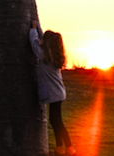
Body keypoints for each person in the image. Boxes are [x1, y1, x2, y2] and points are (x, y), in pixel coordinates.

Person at [30, 20, 76, 156]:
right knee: (55, 121)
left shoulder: (44, 56)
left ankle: (69, 148)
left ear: (47, 44)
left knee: (57, 122)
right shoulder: (53, 57)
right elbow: (43, 38)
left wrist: (33, 30)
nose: (41, 40)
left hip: (55, 94)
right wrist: (38, 27)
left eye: (43, 39)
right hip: (58, 93)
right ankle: (60, 148)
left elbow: (34, 44)